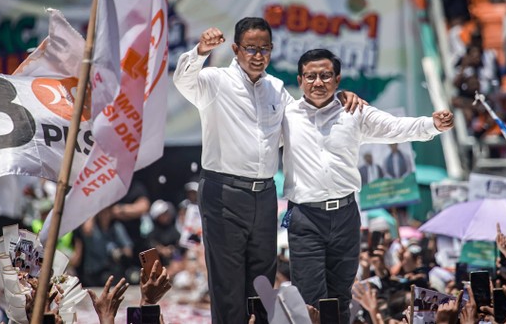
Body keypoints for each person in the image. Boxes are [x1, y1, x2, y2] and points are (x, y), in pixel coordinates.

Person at [172, 18, 363, 324]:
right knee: (228, 282)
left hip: (264, 196)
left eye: (264, 48)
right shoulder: (215, 81)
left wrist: (340, 99)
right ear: (236, 49)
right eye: (250, 48)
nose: (258, 55)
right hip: (224, 192)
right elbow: (183, 80)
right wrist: (200, 51)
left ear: (272, 51)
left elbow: (306, 114)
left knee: (262, 282)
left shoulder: (275, 88)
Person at [281, 49, 454, 323]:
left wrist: (431, 124)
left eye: (325, 76)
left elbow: (394, 127)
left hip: (346, 215)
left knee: (341, 295)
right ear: (300, 80)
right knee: (310, 299)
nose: (318, 82)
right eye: (311, 76)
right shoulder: (285, 116)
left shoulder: (353, 111)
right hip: (305, 218)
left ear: (337, 80)